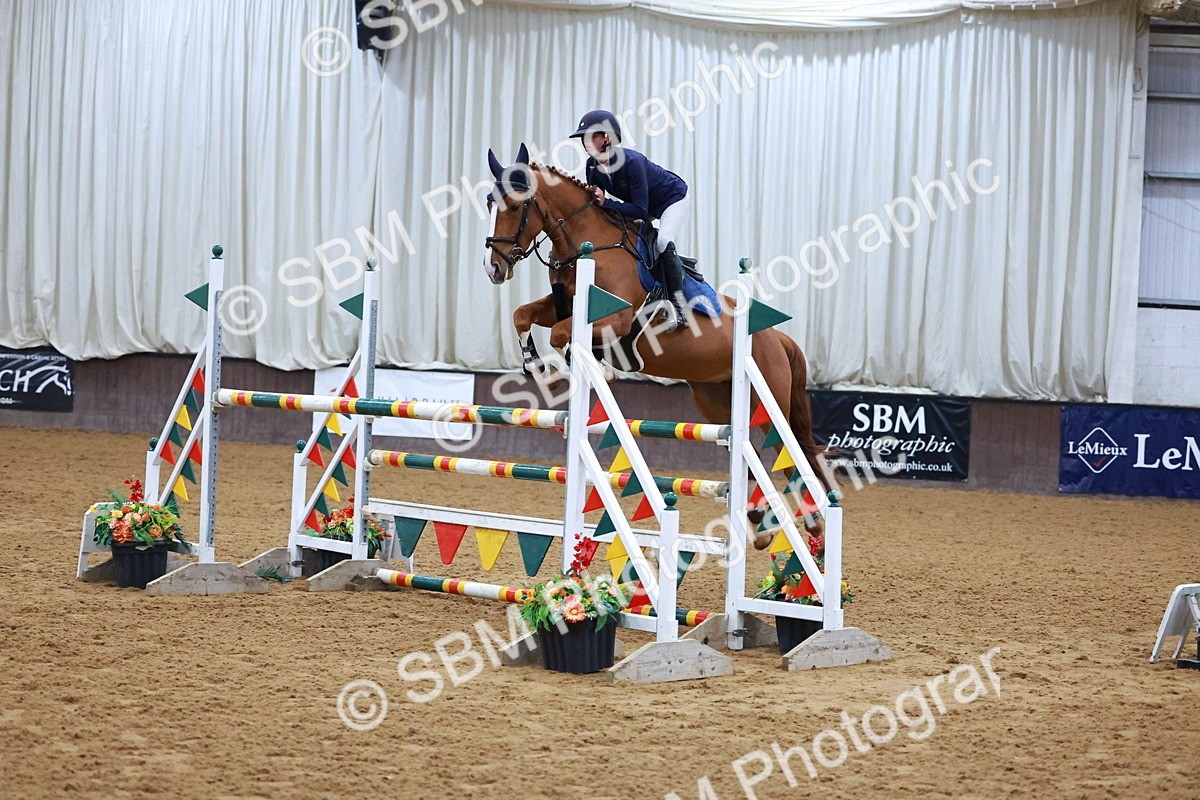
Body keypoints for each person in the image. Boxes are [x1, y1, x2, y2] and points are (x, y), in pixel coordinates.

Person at [569, 109, 690, 332]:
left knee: (663, 241)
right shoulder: (592, 166)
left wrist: (606, 203)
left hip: (671, 198)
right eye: (584, 138)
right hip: (642, 205)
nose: (586, 142)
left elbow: (640, 210)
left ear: (607, 138)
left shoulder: (631, 162)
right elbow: (598, 206)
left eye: (591, 136)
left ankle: (680, 307)